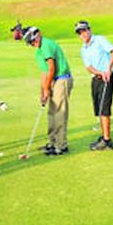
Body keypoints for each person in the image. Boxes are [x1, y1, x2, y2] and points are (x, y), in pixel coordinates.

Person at [23, 27, 73, 156]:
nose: (33, 44)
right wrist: (43, 91)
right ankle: (52, 142)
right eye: (31, 43)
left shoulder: (46, 45)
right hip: (53, 81)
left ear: (38, 35)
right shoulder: (38, 51)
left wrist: (46, 88)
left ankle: (61, 146)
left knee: (59, 113)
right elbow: (44, 73)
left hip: (62, 79)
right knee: (51, 113)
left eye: (33, 41)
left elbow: (52, 67)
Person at [76, 21, 113, 151]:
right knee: (99, 109)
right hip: (96, 79)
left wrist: (108, 69)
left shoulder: (99, 40)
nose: (82, 34)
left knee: (104, 109)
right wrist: (99, 72)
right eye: (79, 32)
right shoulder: (83, 49)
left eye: (83, 31)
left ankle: (107, 141)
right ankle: (104, 136)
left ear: (89, 30)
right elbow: (89, 67)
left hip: (107, 78)